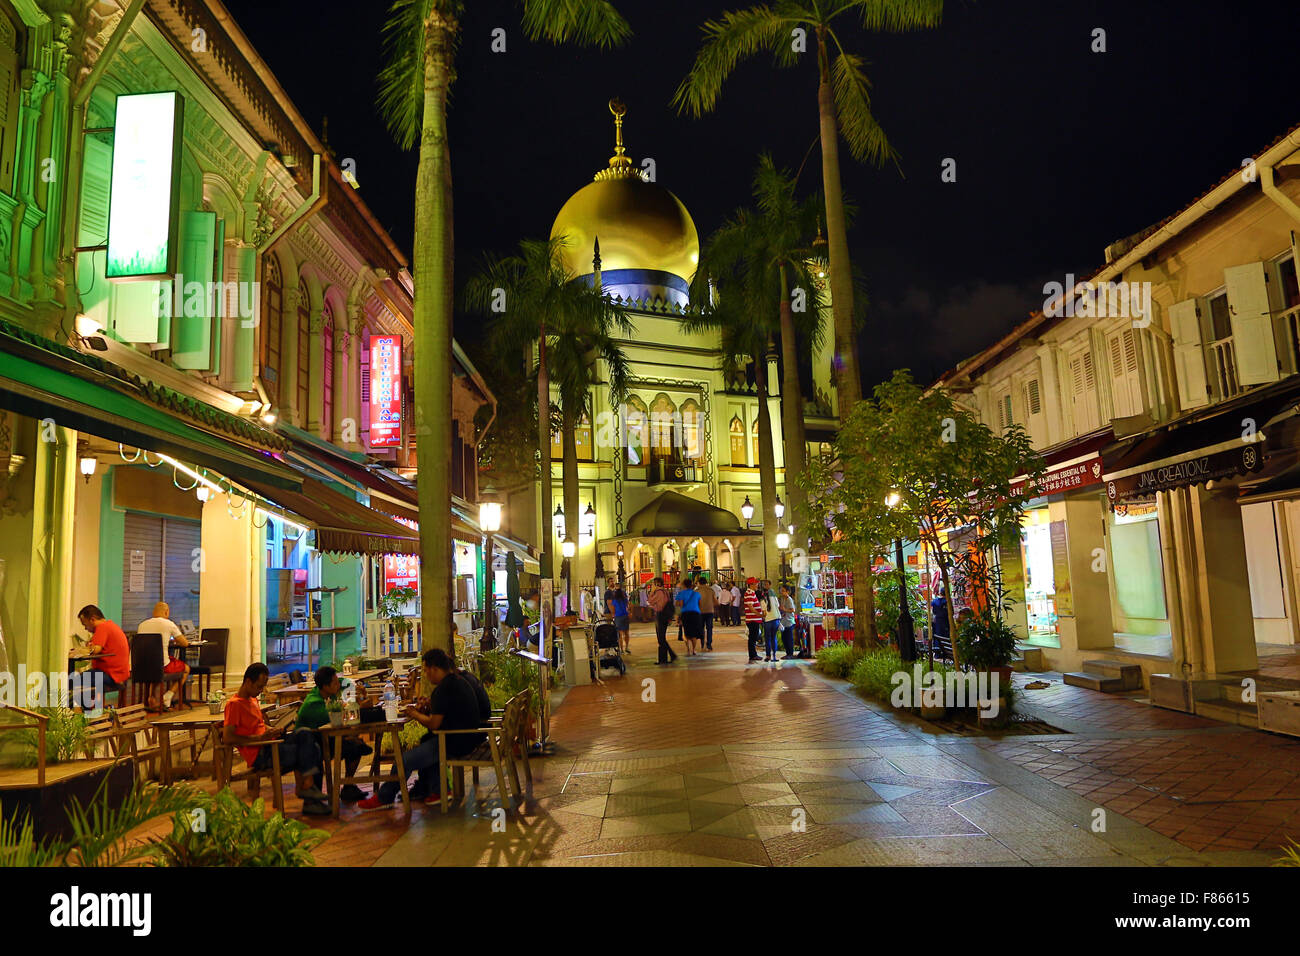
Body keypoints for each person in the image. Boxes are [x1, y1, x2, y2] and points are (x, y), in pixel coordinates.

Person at [358, 649, 486, 809]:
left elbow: (434, 724)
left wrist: (414, 713)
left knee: (403, 760)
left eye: (426, 670)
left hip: (454, 742)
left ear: (434, 668)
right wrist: (426, 709)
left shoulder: (444, 688)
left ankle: (384, 798)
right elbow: (445, 713)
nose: (425, 675)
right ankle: (439, 791)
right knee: (426, 742)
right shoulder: (457, 681)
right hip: (466, 738)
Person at [222, 663, 327, 813]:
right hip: (260, 754)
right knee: (313, 749)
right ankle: (307, 791)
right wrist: (258, 739)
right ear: (248, 682)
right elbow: (228, 737)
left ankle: (308, 788)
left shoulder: (253, 700)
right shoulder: (234, 705)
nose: (260, 691)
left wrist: (271, 730)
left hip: (269, 743)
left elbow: (258, 725)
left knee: (305, 734)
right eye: (259, 687)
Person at [296, 666, 373, 802]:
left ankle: (348, 786)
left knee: (355, 744)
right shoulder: (314, 703)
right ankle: (347, 785)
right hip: (312, 747)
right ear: (325, 686)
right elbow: (337, 720)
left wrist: (356, 686)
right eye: (335, 683)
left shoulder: (324, 692)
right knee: (355, 746)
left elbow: (345, 682)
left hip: (324, 739)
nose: (339, 685)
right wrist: (359, 708)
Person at [136, 602, 189, 710]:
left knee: (155, 669)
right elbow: (185, 643)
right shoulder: (168, 623)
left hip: (142, 666)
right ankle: (168, 696)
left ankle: (151, 697)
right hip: (161, 666)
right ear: (166, 612)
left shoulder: (142, 624)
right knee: (186, 669)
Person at [76, 605, 130, 703]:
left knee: (72, 681)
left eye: (85, 624)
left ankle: (79, 714)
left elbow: (95, 649)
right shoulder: (111, 626)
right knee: (80, 679)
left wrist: (80, 650)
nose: (85, 628)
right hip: (119, 674)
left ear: (92, 619)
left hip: (110, 675)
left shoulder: (102, 627)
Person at [648, 577, 677, 665]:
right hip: (664, 615)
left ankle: (670, 656)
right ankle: (663, 659)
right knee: (662, 638)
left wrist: (652, 591)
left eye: (653, 584)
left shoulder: (659, 592)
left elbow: (650, 601)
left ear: (657, 584)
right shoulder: (665, 592)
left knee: (661, 639)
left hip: (660, 615)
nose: (652, 586)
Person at [676, 576, 703, 655]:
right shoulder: (696, 594)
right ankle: (694, 650)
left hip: (685, 613)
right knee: (694, 633)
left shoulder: (681, 593)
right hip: (695, 614)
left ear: (684, 585)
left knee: (686, 632)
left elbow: (679, 604)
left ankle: (688, 650)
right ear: (691, 585)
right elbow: (700, 604)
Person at [743, 578, 764, 662]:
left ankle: (753, 654)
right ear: (751, 585)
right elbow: (751, 607)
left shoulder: (752, 593)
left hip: (754, 619)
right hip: (753, 619)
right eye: (756, 584)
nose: (757, 585)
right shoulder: (749, 593)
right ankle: (753, 655)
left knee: (753, 637)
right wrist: (759, 614)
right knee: (752, 638)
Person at [606, 586, 632, 653]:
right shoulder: (625, 600)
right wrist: (629, 612)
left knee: (620, 634)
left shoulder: (614, 601)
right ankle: (626, 647)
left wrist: (613, 615)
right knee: (626, 633)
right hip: (625, 616)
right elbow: (630, 605)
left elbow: (613, 609)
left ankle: (621, 649)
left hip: (618, 617)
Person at [761, 581, 781, 662]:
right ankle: (774, 656)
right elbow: (778, 605)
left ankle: (768, 656)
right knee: (774, 638)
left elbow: (763, 611)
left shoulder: (762, 599)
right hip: (776, 618)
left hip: (768, 620)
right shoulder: (773, 595)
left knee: (768, 639)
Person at [695, 574, 715, 651]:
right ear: (706, 582)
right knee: (709, 628)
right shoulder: (711, 590)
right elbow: (715, 601)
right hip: (710, 611)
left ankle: (702, 644)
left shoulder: (696, 591)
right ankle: (709, 645)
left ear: (699, 583)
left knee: (701, 628)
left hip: (700, 612)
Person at [778, 584, 797, 660]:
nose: (781, 592)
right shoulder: (783, 599)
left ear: (788, 592)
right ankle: (787, 653)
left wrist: (784, 609)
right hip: (784, 621)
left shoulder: (789, 599)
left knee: (789, 638)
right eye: (781, 591)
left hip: (789, 621)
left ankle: (790, 654)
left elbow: (792, 610)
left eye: (783, 591)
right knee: (784, 638)